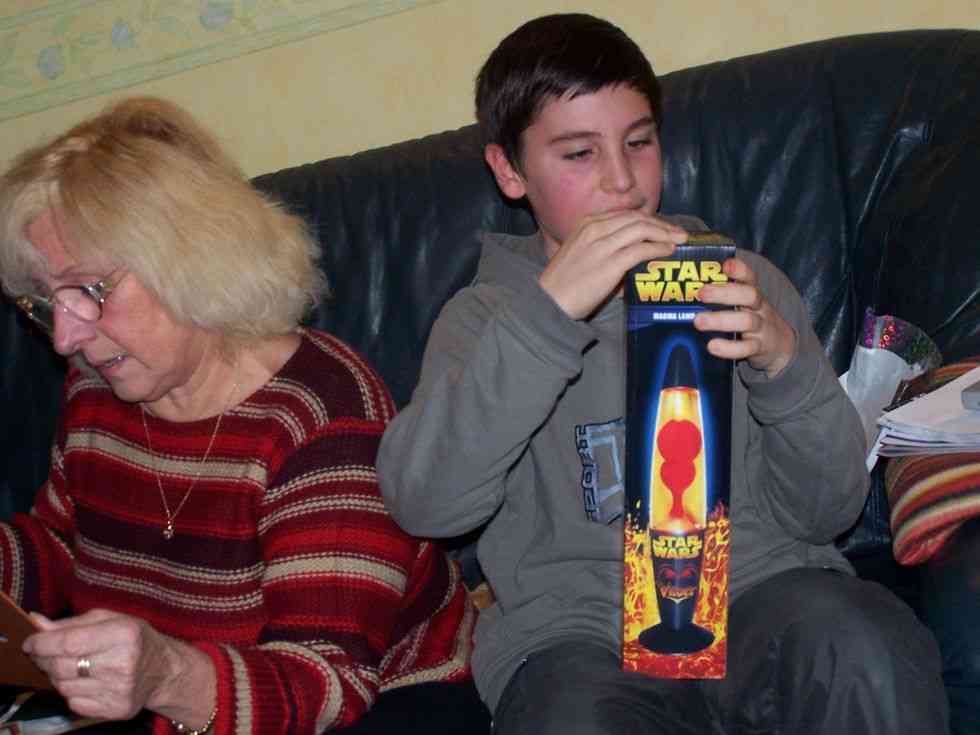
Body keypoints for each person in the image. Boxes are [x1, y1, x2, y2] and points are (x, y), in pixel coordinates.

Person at [377, 13, 947, 734]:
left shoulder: (745, 284)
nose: (622, 181)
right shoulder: (485, 320)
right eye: (579, 153)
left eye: (639, 142)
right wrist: (546, 319)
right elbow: (426, 505)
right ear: (510, 171)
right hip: (580, 637)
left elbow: (828, 511)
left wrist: (785, 367)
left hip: (765, 589)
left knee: (864, 648)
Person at [0, 97, 485, 734]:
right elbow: (68, 547)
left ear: (188, 260)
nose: (65, 336)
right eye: (45, 303)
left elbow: (327, 684)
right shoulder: (96, 386)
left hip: (374, 703)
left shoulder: (323, 417)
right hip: (176, 703)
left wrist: (165, 676)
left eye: (88, 291)